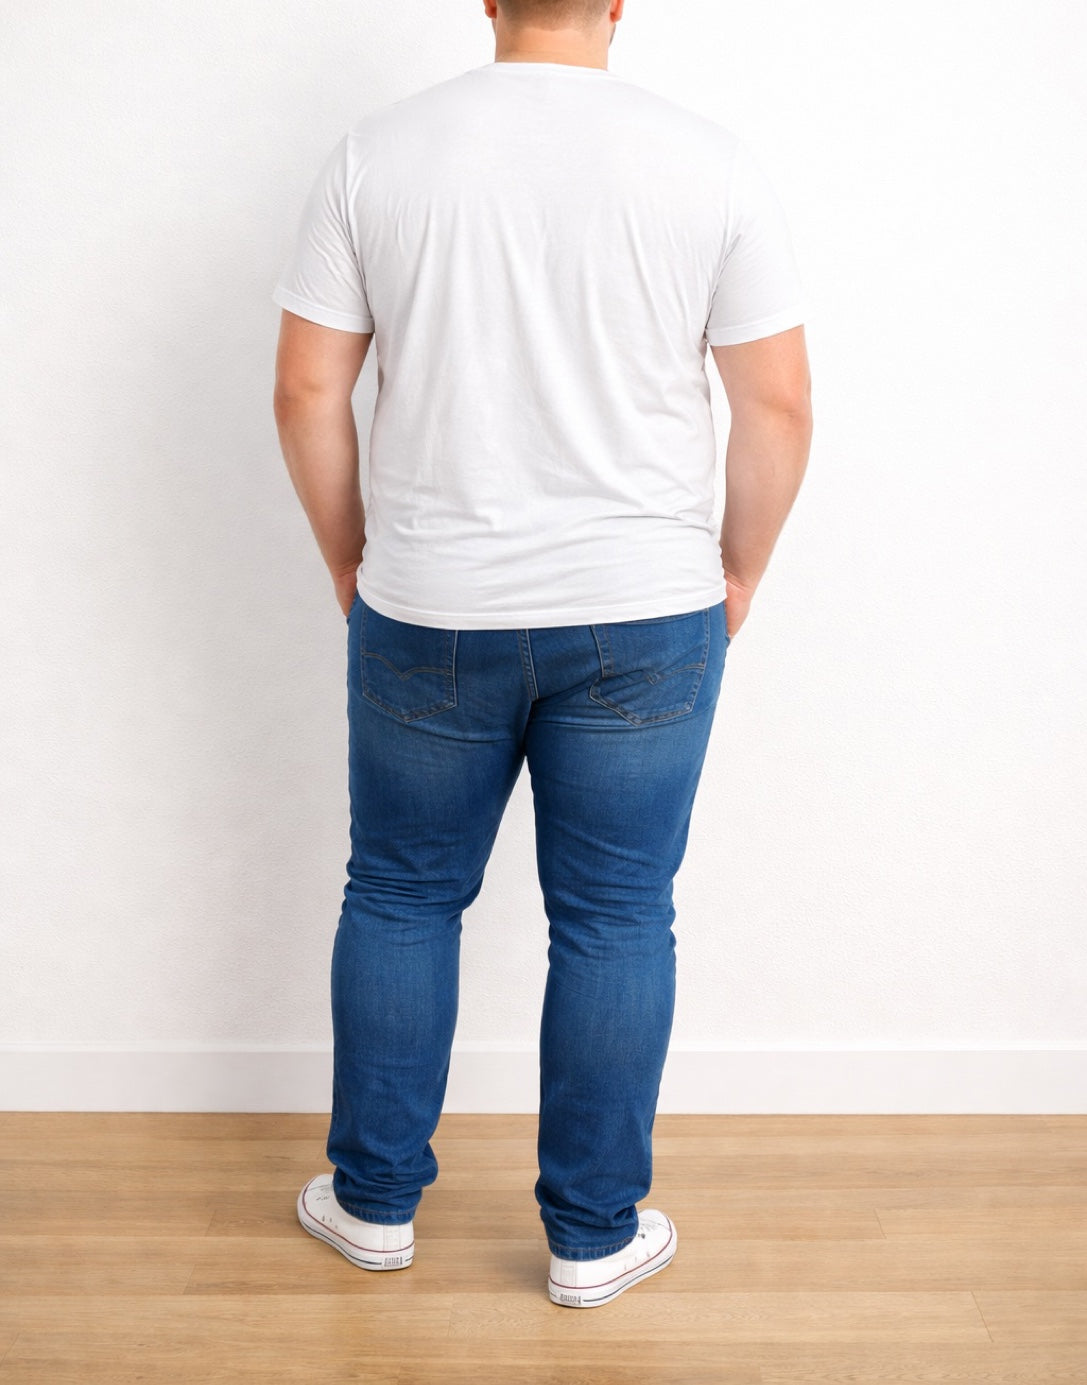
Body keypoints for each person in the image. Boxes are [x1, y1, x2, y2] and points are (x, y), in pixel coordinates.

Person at [272, 0, 812, 1309]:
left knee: (401, 892)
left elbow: (304, 388)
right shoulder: (710, 163)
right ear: (619, 3)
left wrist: (351, 553)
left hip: (429, 602)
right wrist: (741, 565)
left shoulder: (377, 156)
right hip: (646, 609)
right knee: (619, 914)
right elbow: (779, 402)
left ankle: (373, 1203)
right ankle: (591, 1235)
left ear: (487, 0)